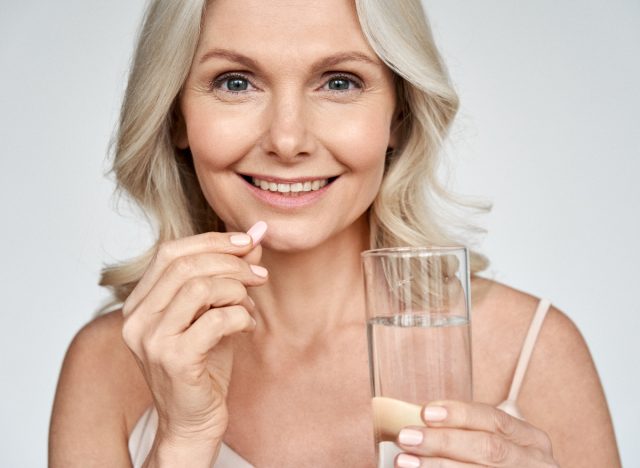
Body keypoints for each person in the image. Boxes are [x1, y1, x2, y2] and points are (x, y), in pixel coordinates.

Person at [49, 0, 621, 466]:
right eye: (236, 82)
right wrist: (182, 443)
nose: (288, 139)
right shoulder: (107, 367)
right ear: (176, 116)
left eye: (340, 82)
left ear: (399, 115)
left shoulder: (532, 349)